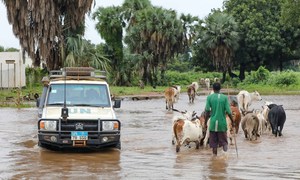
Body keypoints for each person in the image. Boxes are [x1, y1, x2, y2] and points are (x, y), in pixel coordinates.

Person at [204, 82, 234, 156]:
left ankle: (214, 159)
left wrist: (205, 122)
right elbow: (229, 111)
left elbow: (207, 111)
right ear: (220, 89)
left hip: (213, 123)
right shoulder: (224, 98)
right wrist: (232, 121)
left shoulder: (209, 97)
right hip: (222, 123)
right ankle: (225, 158)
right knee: (224, 142)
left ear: (213, 89)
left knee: (214, 145)